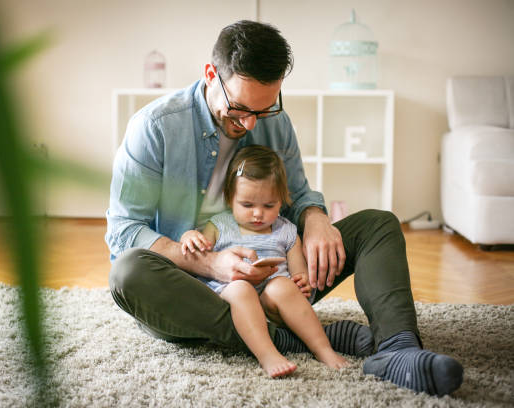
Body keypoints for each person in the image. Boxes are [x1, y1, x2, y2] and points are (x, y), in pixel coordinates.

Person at [107, 20, 463, 395]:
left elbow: (299, 197)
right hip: (192, 293)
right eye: (238, 109)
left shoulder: (274, 123)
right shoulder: (154, 127)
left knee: (379, 224)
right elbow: (123, 232)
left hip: (279, 283)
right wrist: (211, 264)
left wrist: (316, 218)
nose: (248, 123)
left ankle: (397, 350)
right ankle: (292, 337)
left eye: (262, 110)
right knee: (128, 272)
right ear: (211, 74)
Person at [180, 144, 349, 377]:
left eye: (269, 205)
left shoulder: (286, 231)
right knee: (241, 289)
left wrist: (302, 280)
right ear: (230, 198)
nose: (258, 214)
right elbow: (200, 251)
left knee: (282, 285)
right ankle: (267, 354)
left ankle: (323, 349)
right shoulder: (219, 225)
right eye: (247, 205)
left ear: (281, 200)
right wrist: (189, 236)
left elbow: (298, 273)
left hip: (272, 303)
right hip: (231, 296)